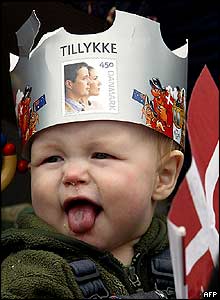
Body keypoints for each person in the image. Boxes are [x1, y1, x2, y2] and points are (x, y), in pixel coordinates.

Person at [1, 9, 188, 299]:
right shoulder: (30, 272)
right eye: (52, 159)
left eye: (100, 155)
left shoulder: (187, 256)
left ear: (163, 176)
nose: (72, 174)